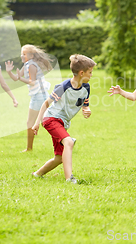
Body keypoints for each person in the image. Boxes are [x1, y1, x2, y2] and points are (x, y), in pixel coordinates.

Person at [32, 54, 96, 184]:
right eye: (90, 72)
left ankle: (37, 174)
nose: (91, 75)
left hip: (63, 123)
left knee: (59, 157)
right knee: (69, 142)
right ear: (81, 72)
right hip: (51, 119)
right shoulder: (64, 87)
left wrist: (87, 110)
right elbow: (46, 103)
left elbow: (85, 105)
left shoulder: (86, 87)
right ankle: (69, 179)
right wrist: (37, 122)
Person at [5, 44, 53, 152]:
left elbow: (32, 82)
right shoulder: (27, 64)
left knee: (34, 123)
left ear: (31, 56)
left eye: (24, 54)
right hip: (38, 95)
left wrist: (21, 78)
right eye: (21, 53)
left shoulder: (31, 65)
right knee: (45, 122)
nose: (22, 56)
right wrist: (9, 71)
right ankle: (64, 140)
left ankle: (29, 148)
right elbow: (16, 78)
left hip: (39, 96)